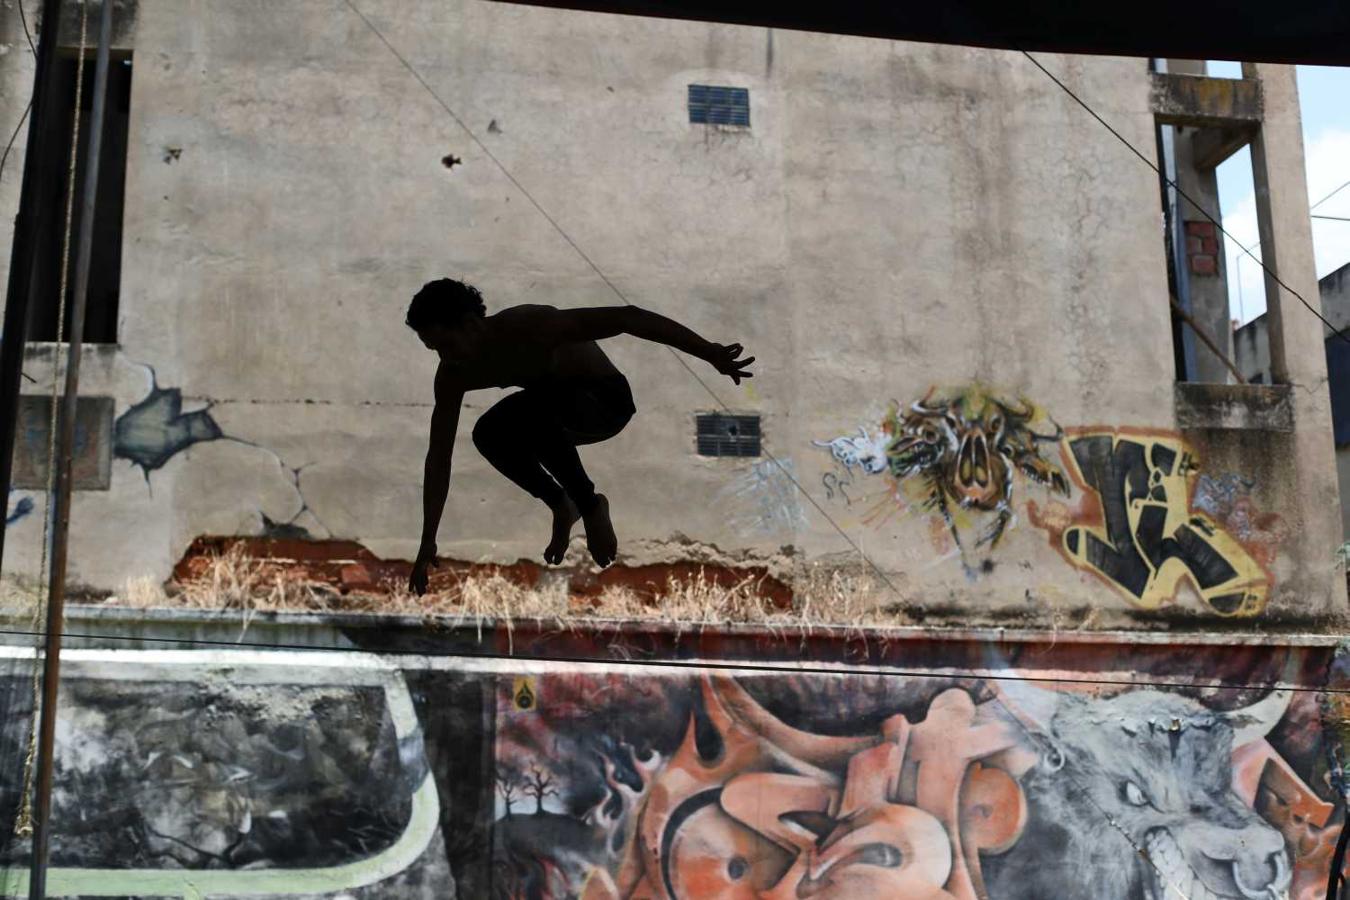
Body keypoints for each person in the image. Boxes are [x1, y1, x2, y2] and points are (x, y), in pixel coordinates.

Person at [405, 278, 754, 595]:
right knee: (488, 433)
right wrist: (427, 539)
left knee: (532, 409)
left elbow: (629, 318)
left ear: (470, 324)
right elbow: (439, 457)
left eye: (447, 345)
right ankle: (562, 505)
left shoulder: (532, 326)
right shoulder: (453, 374)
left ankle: (589, 505)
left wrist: (710, 353)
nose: (445, 358)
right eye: (434, 350)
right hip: (555, 417)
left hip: (605, 402)